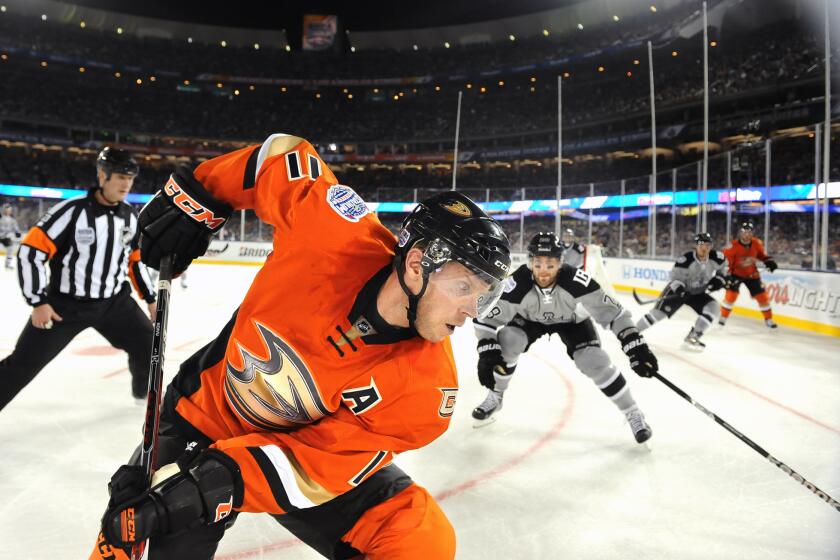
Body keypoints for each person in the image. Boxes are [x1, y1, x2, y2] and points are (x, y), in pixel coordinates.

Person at [89, 133, 511, 560]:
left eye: (483, 294)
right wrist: (197, 196)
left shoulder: (428, 391)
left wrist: (208, 484)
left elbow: (313, 467)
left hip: (302, 450)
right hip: (207, 414)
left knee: (420, 539)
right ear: (419, 263)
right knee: (125, 544)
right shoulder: (332, 234)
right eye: (463, 287)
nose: (473, 310)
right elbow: (284, 154)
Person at [0, 148, 156, 412]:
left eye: (130, 178)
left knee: (148, 346)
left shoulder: (130, 216)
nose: (126, 184)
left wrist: (150, 299)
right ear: (102, 176)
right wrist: (38, 301)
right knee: (23, 364)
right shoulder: (71, 212)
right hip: (65, 306)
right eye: (120, 177)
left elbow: (134, 262)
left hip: (114, 304)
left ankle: (143, 396)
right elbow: (31, 252)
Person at [470, 232, 656, 444]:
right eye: (538, 263)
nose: (543, 271)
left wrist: (634, 342)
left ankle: (633, 412)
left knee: (594, 360)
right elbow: (486, 319)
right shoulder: (517, 282)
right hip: (529, 320)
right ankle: (496, 395)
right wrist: (487, 348)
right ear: (530, 261)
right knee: (508, 341)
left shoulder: (578, 282)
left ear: (560, 263)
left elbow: (615, 314)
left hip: (573, 322)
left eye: (550, 264)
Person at [635, 233, 728, 349]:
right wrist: (680, 290)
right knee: (658, 314)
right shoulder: (685, 260)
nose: (704, 248)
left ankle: (693, 336)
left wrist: (719, 279)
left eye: (707, 245)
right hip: (678, 292)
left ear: (711, 246)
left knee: (713, 307)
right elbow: (674, 280)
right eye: (701, 245)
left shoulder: (717, 258)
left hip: (697, 293)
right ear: (696, 246)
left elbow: (724, 270)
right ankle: (632, 334)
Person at [720, 220, 779, 329]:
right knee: (730, 296)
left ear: (752, 233)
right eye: (744, 232)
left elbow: (762, 256)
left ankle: (769, 319)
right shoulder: (732, 246)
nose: (747, 235)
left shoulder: (757, 243)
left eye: (749, 232)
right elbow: (724, 263)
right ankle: (723, 318)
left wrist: (769, 261)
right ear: (740, 233)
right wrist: (726, 276)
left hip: (752, 275)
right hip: (735, 275)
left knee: (762, 297)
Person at [0, 203, 22, 269]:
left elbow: (15, 227)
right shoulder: (1, 219)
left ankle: (7, 264)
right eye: (6, 210)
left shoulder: (12, 220)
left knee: (11, 249)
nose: (8, 211)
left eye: (9, 210)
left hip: (6, 237)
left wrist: (17, 232)